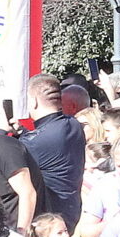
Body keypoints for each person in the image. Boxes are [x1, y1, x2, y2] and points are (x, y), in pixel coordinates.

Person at [20, 73, 85, 228]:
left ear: (33, 101)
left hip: (49, 220)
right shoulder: (74, 125)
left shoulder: (33, 142)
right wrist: (23, 132)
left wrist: (1, 133)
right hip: (72, 211)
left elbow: (13, 158)